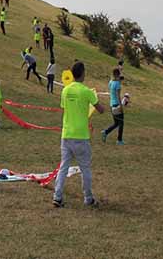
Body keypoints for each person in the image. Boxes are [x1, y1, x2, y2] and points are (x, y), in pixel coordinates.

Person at [53, 62, 104, 208]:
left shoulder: (65, 91)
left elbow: (65, 108)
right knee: (85, 168)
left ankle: (57, 196)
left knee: (63, 167)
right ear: (82, 73)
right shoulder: (86, 91)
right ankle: (88, 198)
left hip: (66, 134)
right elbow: (100, 109)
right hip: (81, 136)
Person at [102, 68, 125, 145]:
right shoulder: (118, 84)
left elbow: (111, 92)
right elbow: (118, 96)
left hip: (111, 104)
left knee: (116, 123)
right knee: (121, 123)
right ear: (118, 74)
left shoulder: (111, 82)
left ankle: (105, 132)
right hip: (117, 104)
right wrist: (121, 106)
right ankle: (119, 140)